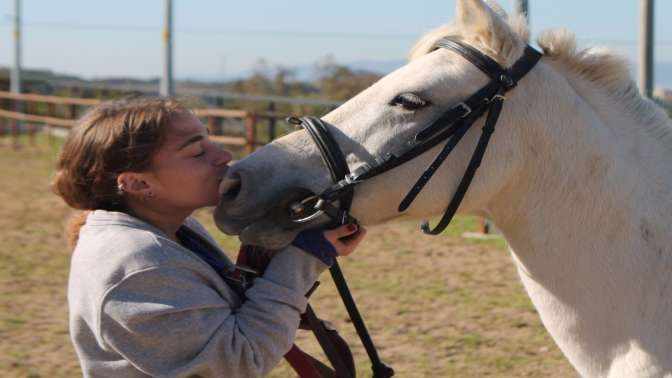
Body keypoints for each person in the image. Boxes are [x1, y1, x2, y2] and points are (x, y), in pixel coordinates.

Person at [52, 97, 367, 378]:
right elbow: (239, 363)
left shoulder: (174, 229)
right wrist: (304, 259)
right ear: (136, 184)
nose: (222, 155)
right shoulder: (138, 263)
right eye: (197, 151)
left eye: (209, 141)